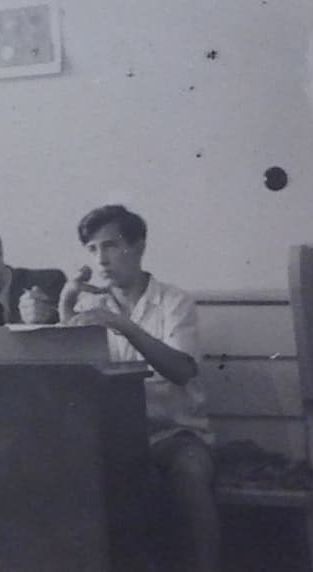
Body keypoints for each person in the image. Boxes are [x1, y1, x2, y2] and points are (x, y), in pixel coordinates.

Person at [58, 205, 219, 572]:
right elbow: (70, 374)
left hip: (177, 435)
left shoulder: (174, 302)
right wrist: (65, 308)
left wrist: (125, 326)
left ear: (139, 246)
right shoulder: (91, 305)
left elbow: (181, 370)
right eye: (93, 249)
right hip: (116, 440)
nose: (101, 259)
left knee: (189, 473)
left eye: (111, 246)